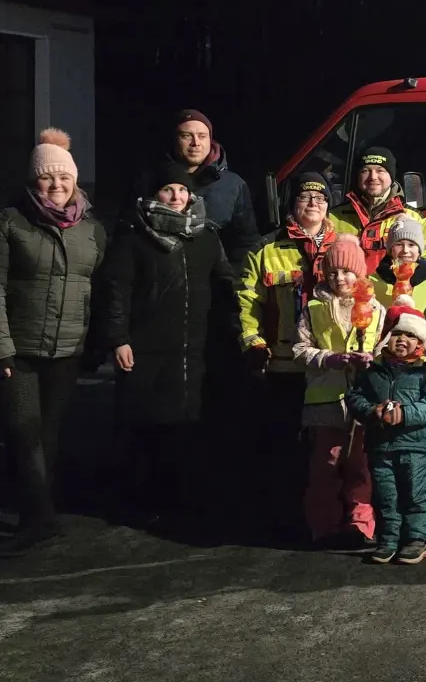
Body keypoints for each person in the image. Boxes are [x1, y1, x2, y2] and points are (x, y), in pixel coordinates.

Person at [102, 163, 232, 529]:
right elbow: (117, 290)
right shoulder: (135, 236)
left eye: (182, 190)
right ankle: (144, 502)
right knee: (148, 428)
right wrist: (119, 338)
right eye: (167, 190)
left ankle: (182, 501)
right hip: (147, 348)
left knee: (187, 429)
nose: (176, 197)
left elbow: (224, 282)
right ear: (154, 195)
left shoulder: (206, 236)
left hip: (194, 348)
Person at [0, 129, 106, 551]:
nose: (56, 185)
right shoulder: (11, 222)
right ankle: (39, 518)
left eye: (64, 178)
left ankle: (39, 512)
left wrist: (95, 343)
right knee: (22, 430)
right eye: (47, 178)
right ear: (34, 181)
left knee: (49, 433)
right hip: (19, 349)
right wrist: (2, 348)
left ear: (74, 181)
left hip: (67, 349)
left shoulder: (92, 230)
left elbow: (98, 289)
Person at [237, 171, 337, 540]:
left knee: (329, 450)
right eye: (304, 197)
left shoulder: (344, 244)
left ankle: (328, 520)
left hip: (330, 368)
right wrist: (253, 343)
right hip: (285, 367)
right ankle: (285, 520)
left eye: (320, 198)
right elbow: (248, 302)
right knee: (284, 448)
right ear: (291, 205)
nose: (313, 204)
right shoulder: (268, 250)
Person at [292, 234, 382, 548]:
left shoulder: (376, 309)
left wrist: (372, 360)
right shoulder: (313, 308)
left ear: (359, 274)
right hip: (325, 402)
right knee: (325, 467)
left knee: (361, 466)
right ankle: (324, 526)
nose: (340, 278)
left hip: (363, 402)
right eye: (333, 273)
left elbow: (385, 348)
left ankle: (361, 525)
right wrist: (328, 358)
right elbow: (299, 349)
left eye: (346, 272)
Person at [347, 304, 426, 565]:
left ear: (420, 344)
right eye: (397, 334)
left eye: (410, 336)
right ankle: (388, 540)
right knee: (386, 494)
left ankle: (417, 539)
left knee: (415, 492)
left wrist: (405, 414)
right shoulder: (373, 371)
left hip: (416, 446)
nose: (402, 340)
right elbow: (355, 398)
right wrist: (373, 412)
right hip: (380, 445)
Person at [131, 109, 258, 266]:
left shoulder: (234, 185)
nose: (195, 143)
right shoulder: (147, 181)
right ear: (175, 139)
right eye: (186, 136)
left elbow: (246, 242)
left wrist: (231, 278)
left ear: (210, 140)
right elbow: (127, 234)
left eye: (202, 136)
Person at [328, 146, 426, 275]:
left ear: (391, 176)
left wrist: (408, 277)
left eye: (380, 171)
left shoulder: (414, 217)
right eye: (365, 171)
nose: (373, 177)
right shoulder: (334, 216)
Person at [370, 215, 426, 316]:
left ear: (419, 251)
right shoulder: (373, 281)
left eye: (411, 245)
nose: (405, 250)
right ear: (390, 249)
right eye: (399, 244)